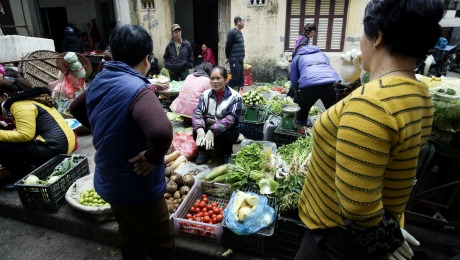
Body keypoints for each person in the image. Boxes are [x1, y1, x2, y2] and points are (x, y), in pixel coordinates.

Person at [295, 0, 444, 259]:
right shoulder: (420, 93)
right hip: (376, 225)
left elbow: (357, 205)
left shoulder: (370, 104)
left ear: (378, 38)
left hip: (335, 239)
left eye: (364, 31)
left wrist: (385, 238)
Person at [69, 25, 175, 259]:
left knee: (129, 235)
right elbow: (162, 132)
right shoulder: (139, 89)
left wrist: (106, 129)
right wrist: (151, 158)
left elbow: (75, 107)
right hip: (138, 187)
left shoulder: (101, 78)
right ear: (147, 60)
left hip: (110, 182)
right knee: (162, 244)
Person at [0, 78, 75, 187]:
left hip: (54, 148)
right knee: (11, 141)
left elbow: (25, 136)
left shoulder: (19, 105)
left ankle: (22, 176)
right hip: (64, 144)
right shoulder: (32, 99)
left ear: (5, 95)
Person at [192, 66, 242, 165]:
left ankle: (227, 153)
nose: (215, 81)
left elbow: (230, 119)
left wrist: (212, 131)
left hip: (226, 129)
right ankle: (203, 151)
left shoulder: (235, 97)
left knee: (228, 135)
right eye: (212, 78)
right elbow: (197, 112)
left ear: (226, 80)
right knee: (196, 130)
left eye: (218, 78)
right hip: (210, 125)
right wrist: (200, 129)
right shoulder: (205, 94)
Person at [290, 44, 340, 127]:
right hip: (330, 83)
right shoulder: (321, 54)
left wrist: (297, 92)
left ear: (297, 51)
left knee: (302, 112)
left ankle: (301, 130)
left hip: (309, 86)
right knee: (333, 113)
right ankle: (336, 131)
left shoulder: (297, 58)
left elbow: (294, 80)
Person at [225, 16, 245, 91]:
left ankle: (239, 94)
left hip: (240, 59)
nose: (244, 23)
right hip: (234, 59)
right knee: (234, 78)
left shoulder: (240, 32)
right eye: (243, 21)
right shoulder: (232, 32)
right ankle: (227, 92)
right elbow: (228, 46)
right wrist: (228, 57)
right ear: (238, 22)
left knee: (241, 79)